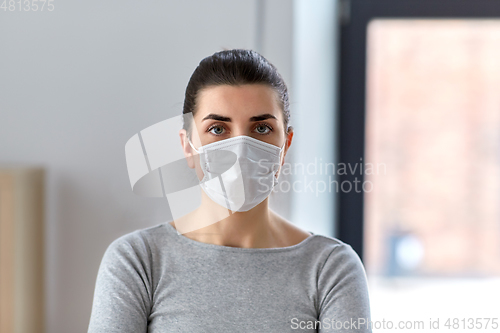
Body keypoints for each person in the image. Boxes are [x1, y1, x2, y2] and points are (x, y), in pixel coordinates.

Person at [87, 49, 372, 332]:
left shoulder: (330, 268)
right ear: (187, 146)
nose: (241, 149)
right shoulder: (138, 261)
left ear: (285, 145)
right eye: (218, 129)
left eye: (261, 128)